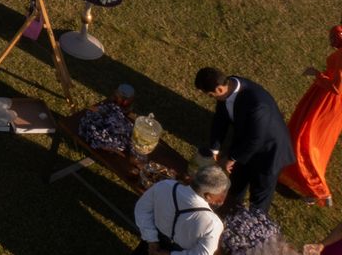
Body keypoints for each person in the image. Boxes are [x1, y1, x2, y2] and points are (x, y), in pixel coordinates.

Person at [198, 66, 296, 214]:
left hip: (269, 153)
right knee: (236, 184)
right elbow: (220, 119)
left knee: (259, 196)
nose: (212, 98)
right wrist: (215, 149)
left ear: (219, 89)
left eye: (211, 95)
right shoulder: (228, 88)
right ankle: (229, 212)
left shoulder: (257, 104)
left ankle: (253, 222)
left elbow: (256, 139)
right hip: (244, 145)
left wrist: (232, 158)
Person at [283, 26, 342, 206]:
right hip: (330, 103)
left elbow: (336, 88)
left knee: (304, 138)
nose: (330, 41)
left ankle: (319, 190)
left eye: (333, 37)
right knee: (313, 141)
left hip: (325, 102)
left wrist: (317, 74)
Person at [134, 163, 228, 255]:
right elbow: (203, 253)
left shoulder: (165, 186)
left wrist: (151, 240)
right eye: (221, 193)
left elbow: (141, 210)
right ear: (208, 196)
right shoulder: (213, 223)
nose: (223, 196)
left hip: (149, 244)